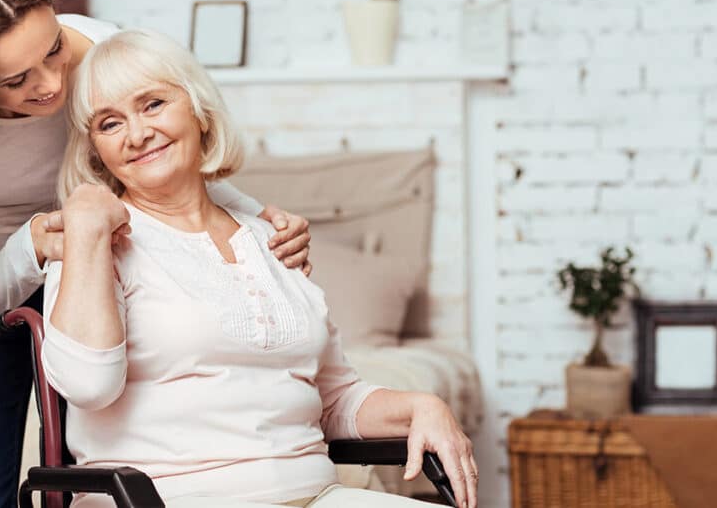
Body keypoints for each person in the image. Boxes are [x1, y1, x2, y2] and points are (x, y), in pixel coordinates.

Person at [0, 0, 314, 508]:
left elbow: (166, 162)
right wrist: (32, 243)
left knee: (95, 469)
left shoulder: (104, 52)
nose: (52, 85)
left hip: (106, 253)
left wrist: (256, 223)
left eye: (54, 49)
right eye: (16, 80)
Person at [43, 29, 478, 508]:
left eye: (153, 105)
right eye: (109, 124)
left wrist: (422, 406)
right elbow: (86, 385)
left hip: (313, 495)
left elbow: (334, 397)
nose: (138, 134)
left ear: (199, 111)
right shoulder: (94, 244)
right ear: (94, 150)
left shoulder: (272, 240)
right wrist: (85, 222)